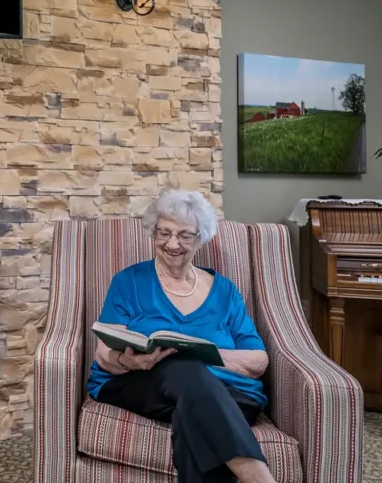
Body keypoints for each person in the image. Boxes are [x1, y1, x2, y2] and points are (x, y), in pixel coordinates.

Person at [87, 189, 276, 483]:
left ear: (200, 238)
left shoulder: (224, 291)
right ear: (153, 233)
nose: (172, 244)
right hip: (141, 383)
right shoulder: (129, 281)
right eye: (164, 233)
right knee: (184, 371)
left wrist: (204, 353)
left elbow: (258, 361)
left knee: (192, 411)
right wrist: (131, 363)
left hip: (231, 395)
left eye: (184, 235)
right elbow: (104, 353)